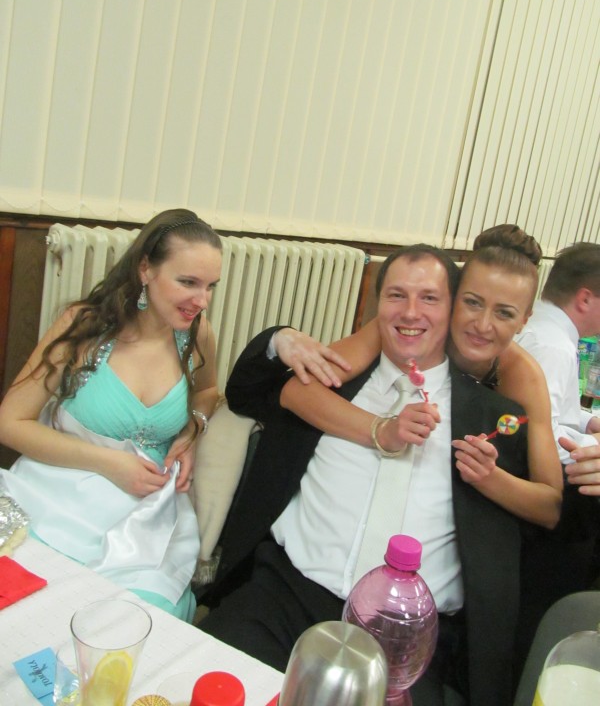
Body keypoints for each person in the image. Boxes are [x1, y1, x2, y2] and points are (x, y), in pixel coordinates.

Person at [200, 243, 537, 706]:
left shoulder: (493, 421)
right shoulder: (330, 384)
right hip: (286, 600)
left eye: (429, 298)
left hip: (409, 642)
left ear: (453, 309)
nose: (411, 312)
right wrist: (280, 338)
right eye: (396, 295)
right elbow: (245, 391)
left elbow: (555, 523)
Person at [0, 208, 223, 621]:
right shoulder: (85, 327)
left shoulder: (197, 334)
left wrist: (193, 430)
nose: (202, 300)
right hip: (60, 492)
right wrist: (108, 462)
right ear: (146, 269)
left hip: (143, 517)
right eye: (188, 282)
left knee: (137, 617)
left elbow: (208, 392)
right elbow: (9, 422)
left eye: (210, 286)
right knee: (29, 601)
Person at [279, 224, 563, 528]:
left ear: (524, 320)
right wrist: (382, 430)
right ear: (452, 298)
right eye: (472, 302)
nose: (482, 325)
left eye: (504, 313)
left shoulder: (524, 377)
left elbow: (550, 507)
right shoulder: (408, 329)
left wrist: (488, 477)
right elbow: (300, 390)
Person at [514, 242, 600, 464]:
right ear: (585, 299)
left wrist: (586, 422)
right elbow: (539, 438)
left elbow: (540, 409)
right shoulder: (554, 347)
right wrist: (594, 443)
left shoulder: (539, 322)